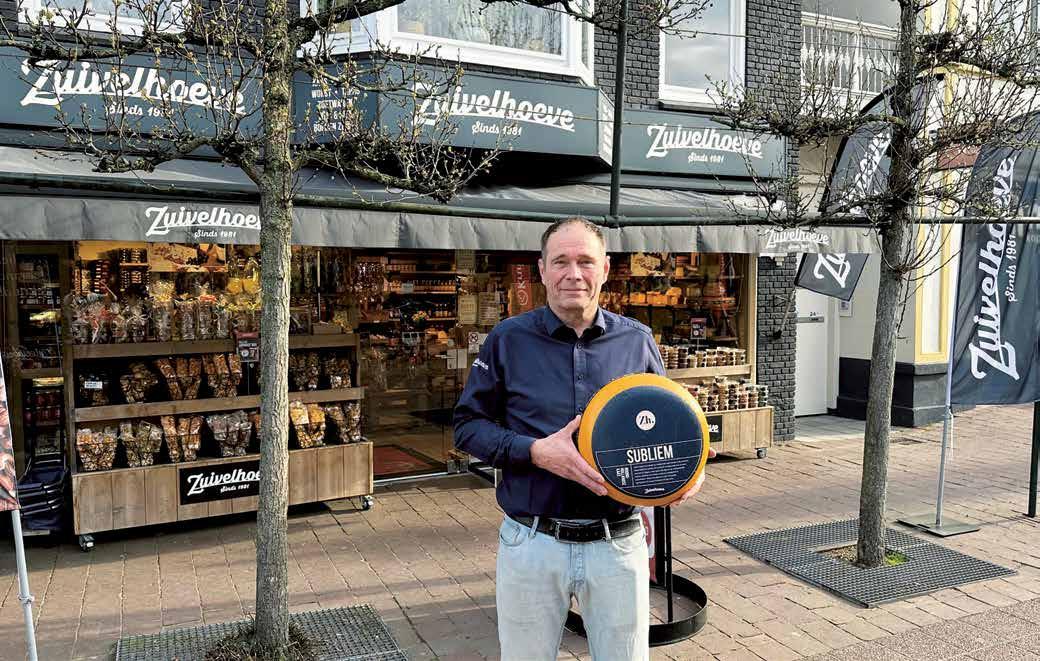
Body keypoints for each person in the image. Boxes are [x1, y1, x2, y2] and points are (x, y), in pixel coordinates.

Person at [454, 217, 713, 661]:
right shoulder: (508, 340)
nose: (573, 274)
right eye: (561, 262)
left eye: (585, 262)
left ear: (605, 269)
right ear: (542, 270)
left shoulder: (636, 342)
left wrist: (690, 470)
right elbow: (467, 426)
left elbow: (672, 424)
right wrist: (535, 452)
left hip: (618, 544)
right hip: (532, 542)